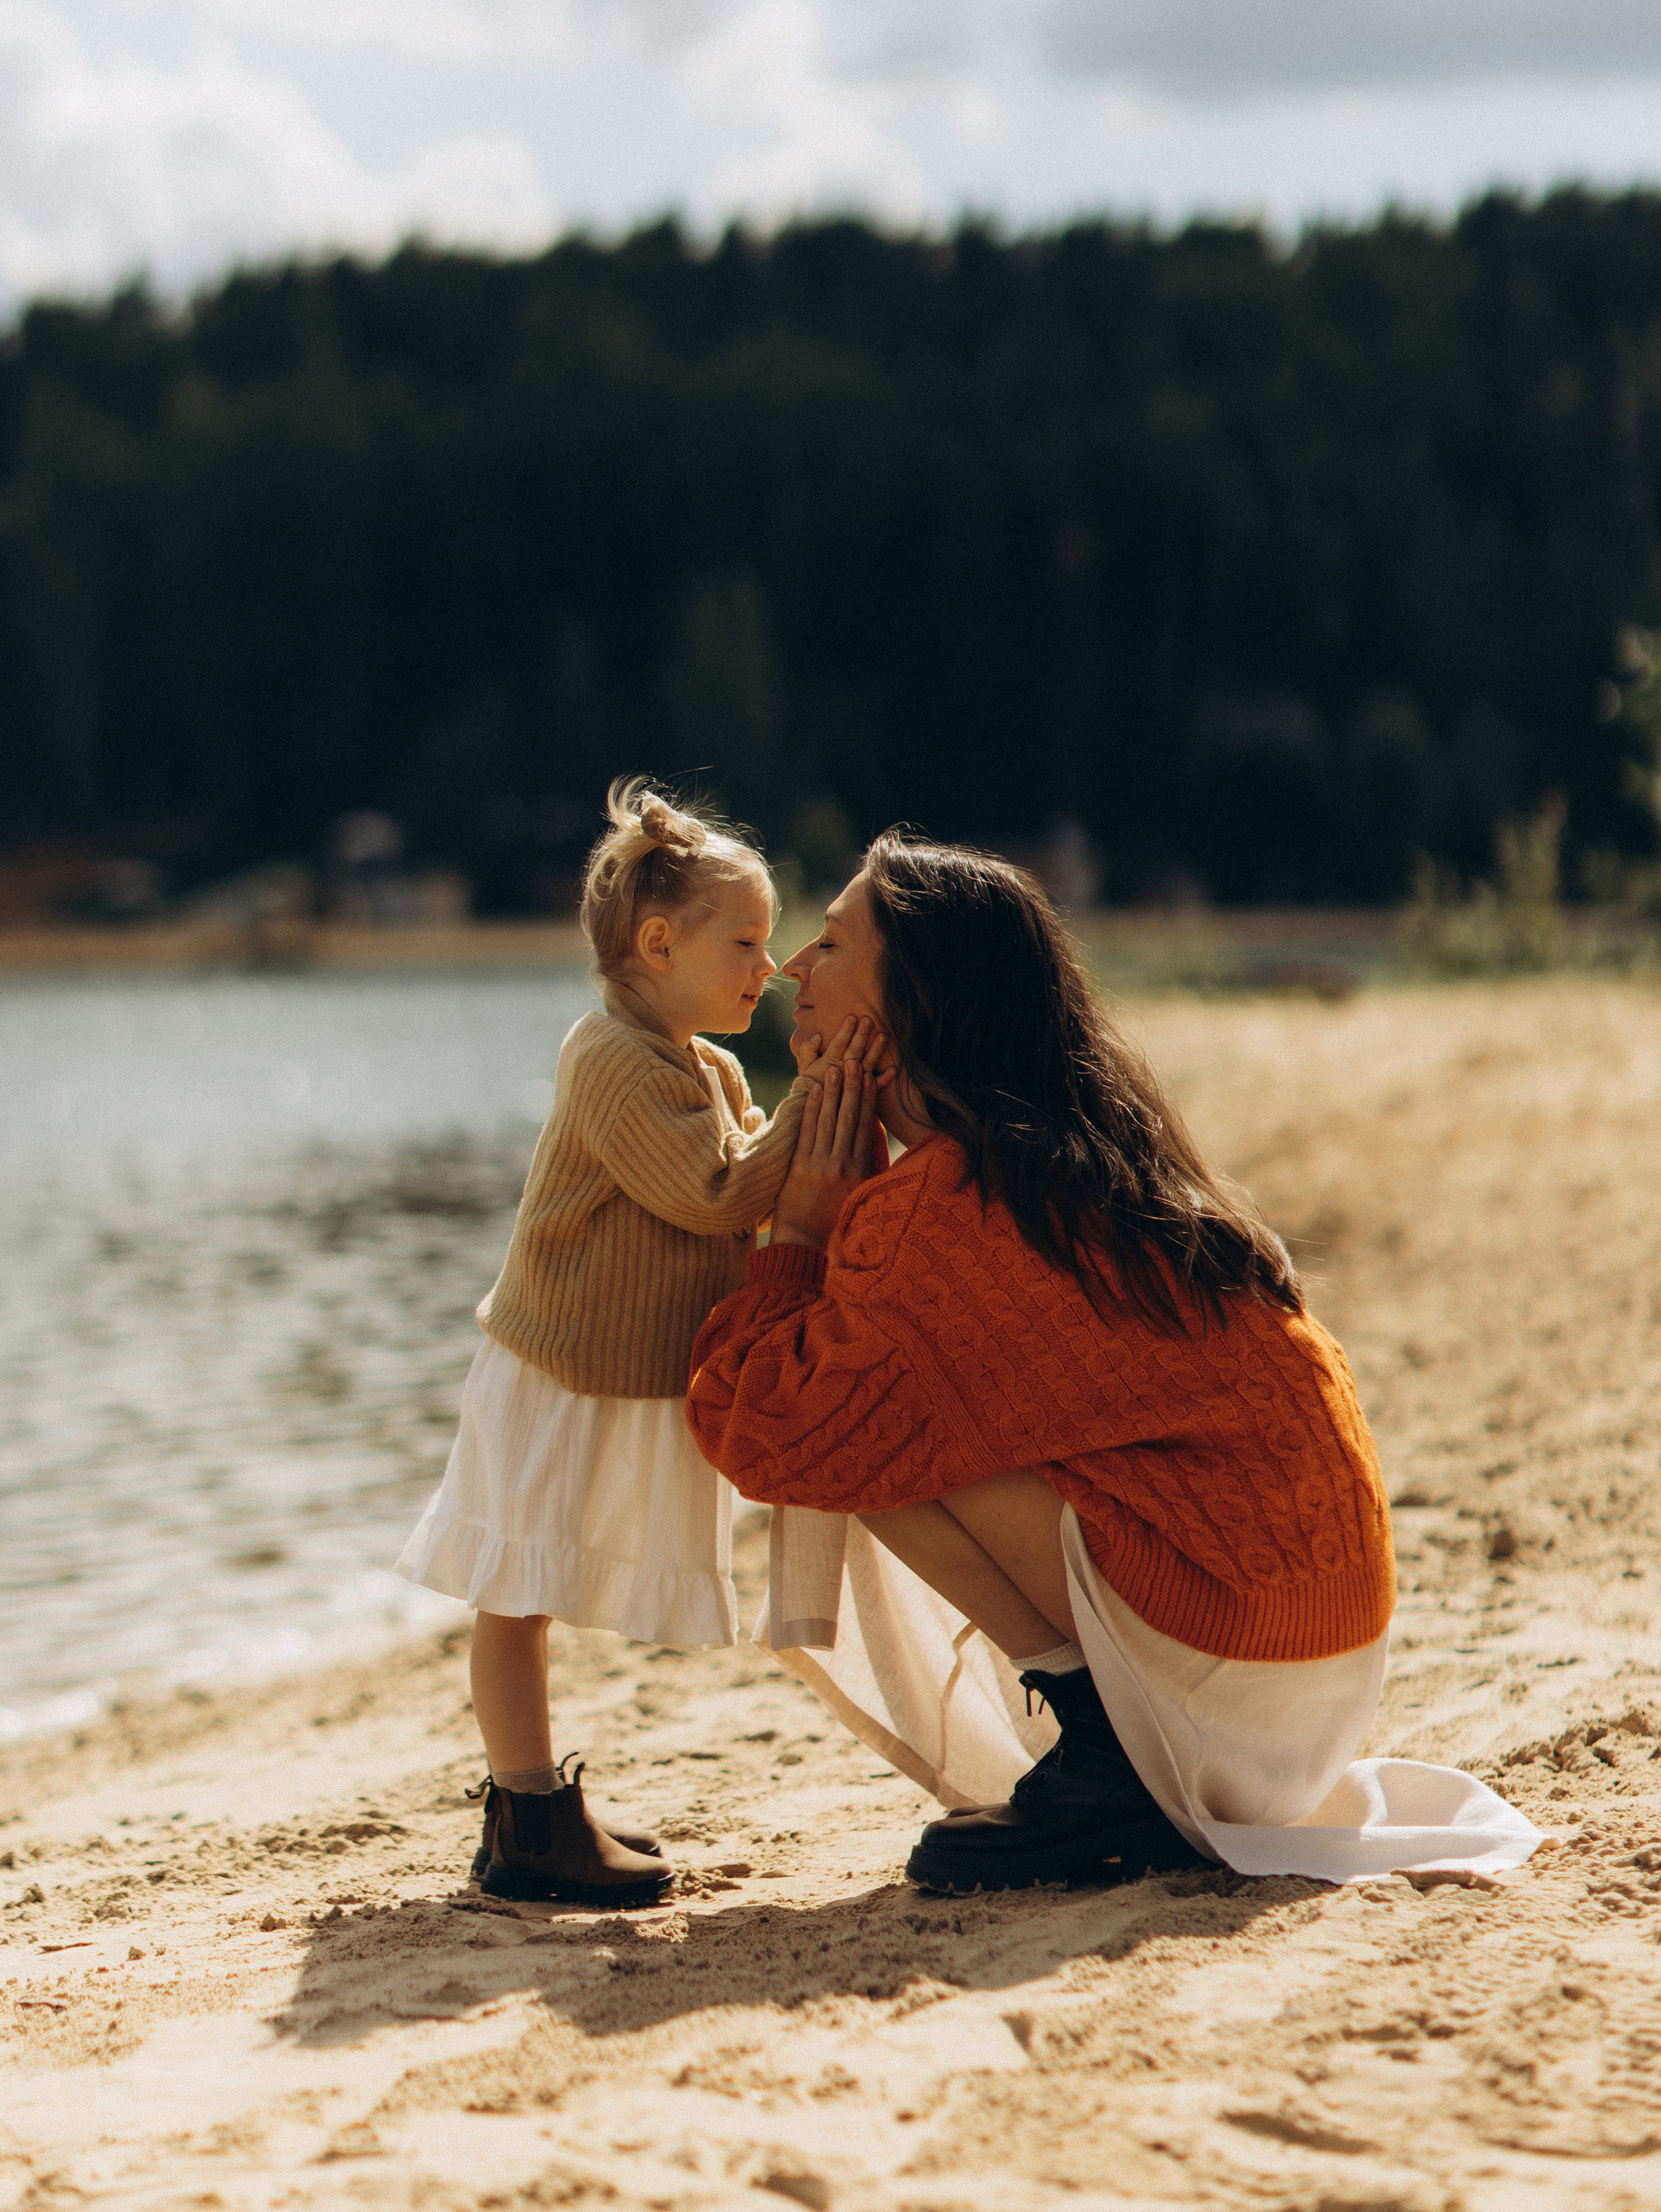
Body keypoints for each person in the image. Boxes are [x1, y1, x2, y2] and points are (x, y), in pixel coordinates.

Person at [687, 833, 1539, 1890]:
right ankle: (1108, 1753)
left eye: (828, 944)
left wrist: (803, 1229)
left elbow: (766, 1431)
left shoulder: (952, 1208)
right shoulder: (1067, 1153)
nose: (788, 971)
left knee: (857, 1438)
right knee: (889, 1413)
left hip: (1237, 1669)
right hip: (1316, 1659)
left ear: (913, 1001)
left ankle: (1107, 1772)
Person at [395, 778, 807, 1907]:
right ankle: (526, 1819)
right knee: (514, 1591)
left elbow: (756, 1161)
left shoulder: (708, 1064)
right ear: (657, 942)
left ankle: (532, 1806)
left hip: (609, 1371)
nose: (764, 967)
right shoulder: (611, 1058)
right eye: (746, 943)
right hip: (556, 1371)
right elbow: (716, 1190)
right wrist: (817, 1114)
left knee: (535, 1583)